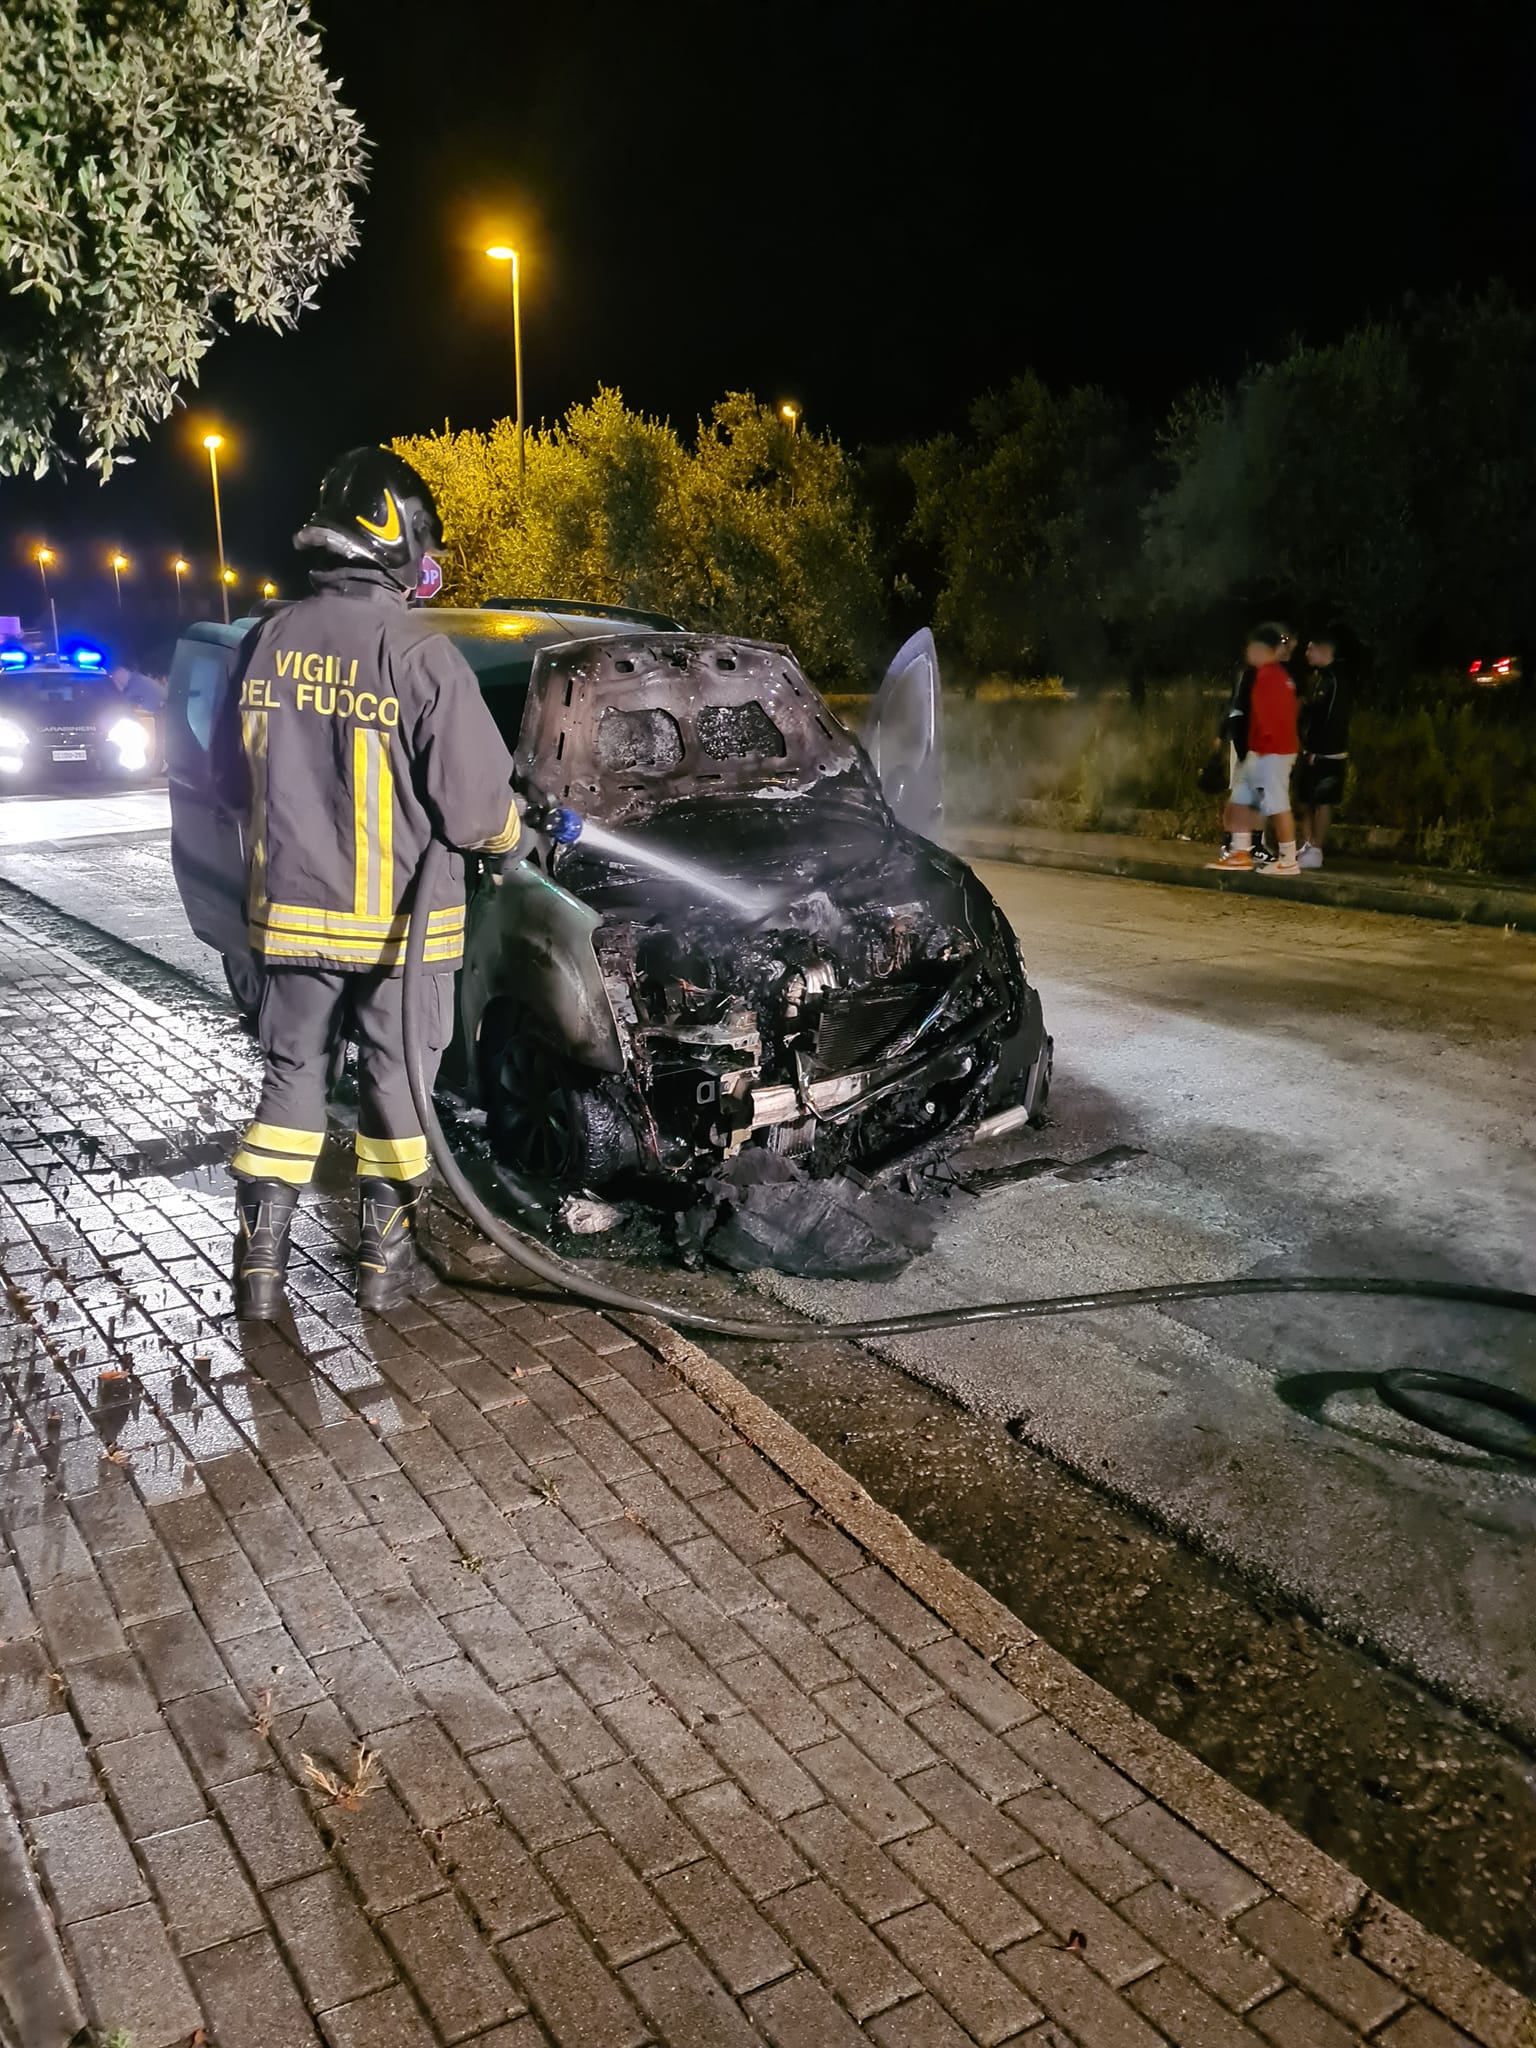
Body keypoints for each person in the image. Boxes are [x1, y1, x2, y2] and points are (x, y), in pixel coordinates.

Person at [212, 446, 525, 1320]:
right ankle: (385, 1270)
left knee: (289, 1086)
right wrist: (517, 836)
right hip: (398, 934)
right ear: (395, 540)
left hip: (289, 925)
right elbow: (474, 814)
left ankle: (260, 1277)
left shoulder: (266, 640)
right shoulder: (418, 657)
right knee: (397, 1089)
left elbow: (229, 782)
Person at [1207, 625, 1301, 874]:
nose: (1248, 653)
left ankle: (1288, 860)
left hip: (1272, 753)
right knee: (1239, 802)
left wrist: (1264, 749)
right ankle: (1240, 853)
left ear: (1262, 649)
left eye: (1251, 648)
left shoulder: (1272, 677)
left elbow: (1274, 719)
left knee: (1277, 806)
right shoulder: (1267, 675)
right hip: (1262, 751)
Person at [1295, 629, 1349, 868]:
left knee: (1322, 801)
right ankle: (1308, 845)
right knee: (1305, 799)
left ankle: (1316, 850)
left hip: (1327, 753)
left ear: (1323, 650)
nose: (1306, 653)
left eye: (1310, 648)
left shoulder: (1335, 680)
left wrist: (1317, 750)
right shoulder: (1320, 678)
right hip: (1313, 751)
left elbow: (1330, 719)